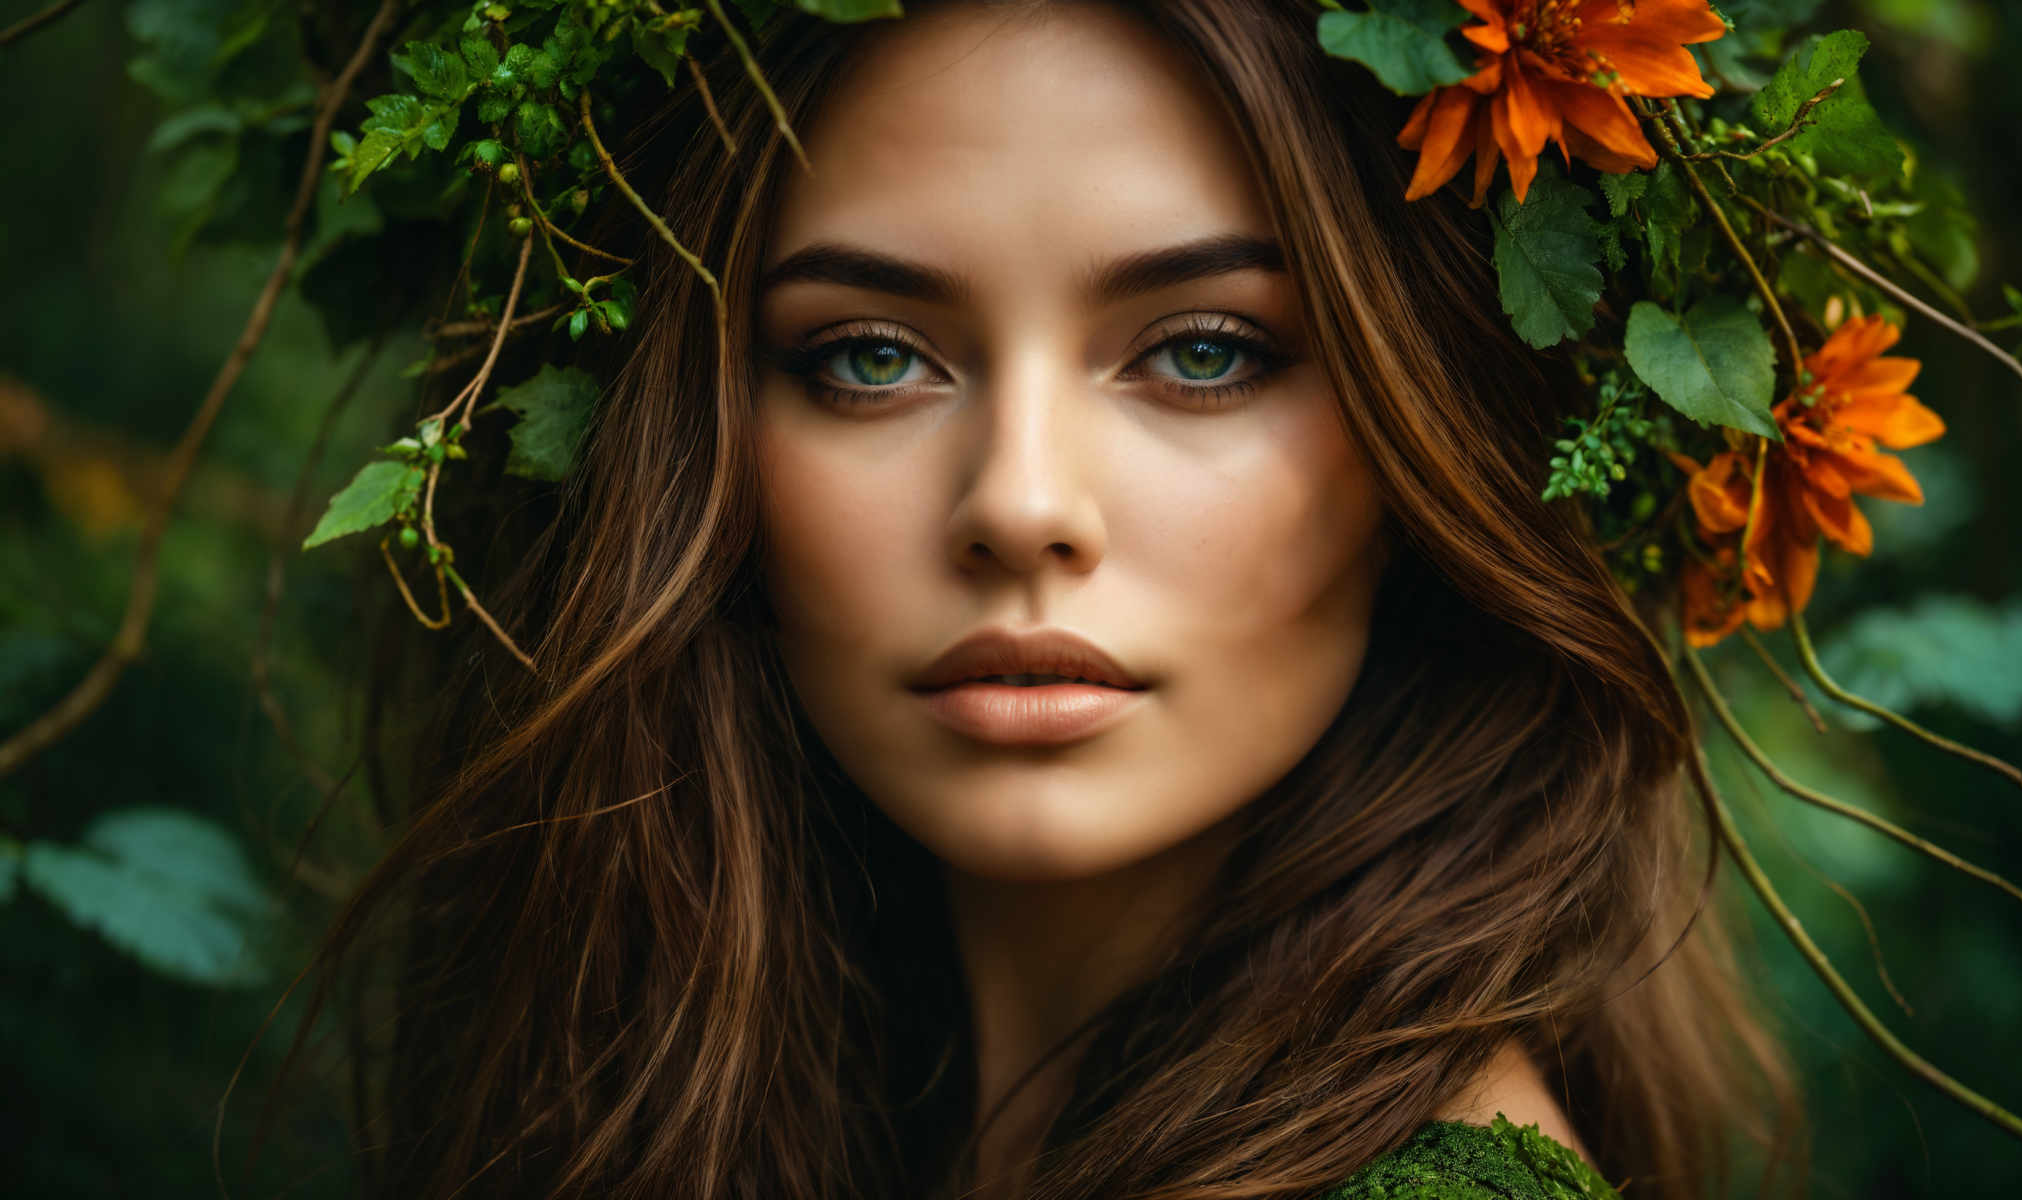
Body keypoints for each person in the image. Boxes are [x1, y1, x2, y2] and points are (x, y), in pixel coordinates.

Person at [308, 2, 1800, 1196]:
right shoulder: (770, 1108)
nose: (1021, 504)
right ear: (687, 441)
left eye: (1205, 352)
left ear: (1430, 445)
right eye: (872, 356)